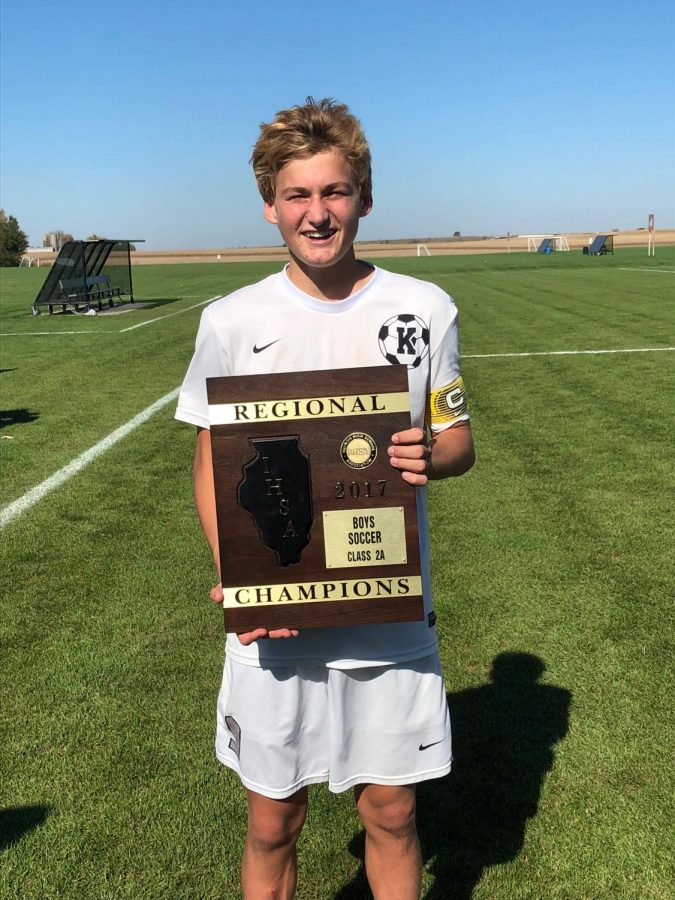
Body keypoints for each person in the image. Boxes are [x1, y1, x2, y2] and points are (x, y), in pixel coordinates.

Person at [175, 97, 475, 900]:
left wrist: (428, 454)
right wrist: (241, 579)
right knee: (274, 821)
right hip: (277, 615)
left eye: (334, 193)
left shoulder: (425, 308)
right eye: (298, 196)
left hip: (386, 609)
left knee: (390, 812)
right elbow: (211, 457)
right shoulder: (232, 321)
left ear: (364, 199)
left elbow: (456, 442)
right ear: (270, 206)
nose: (318, 214)